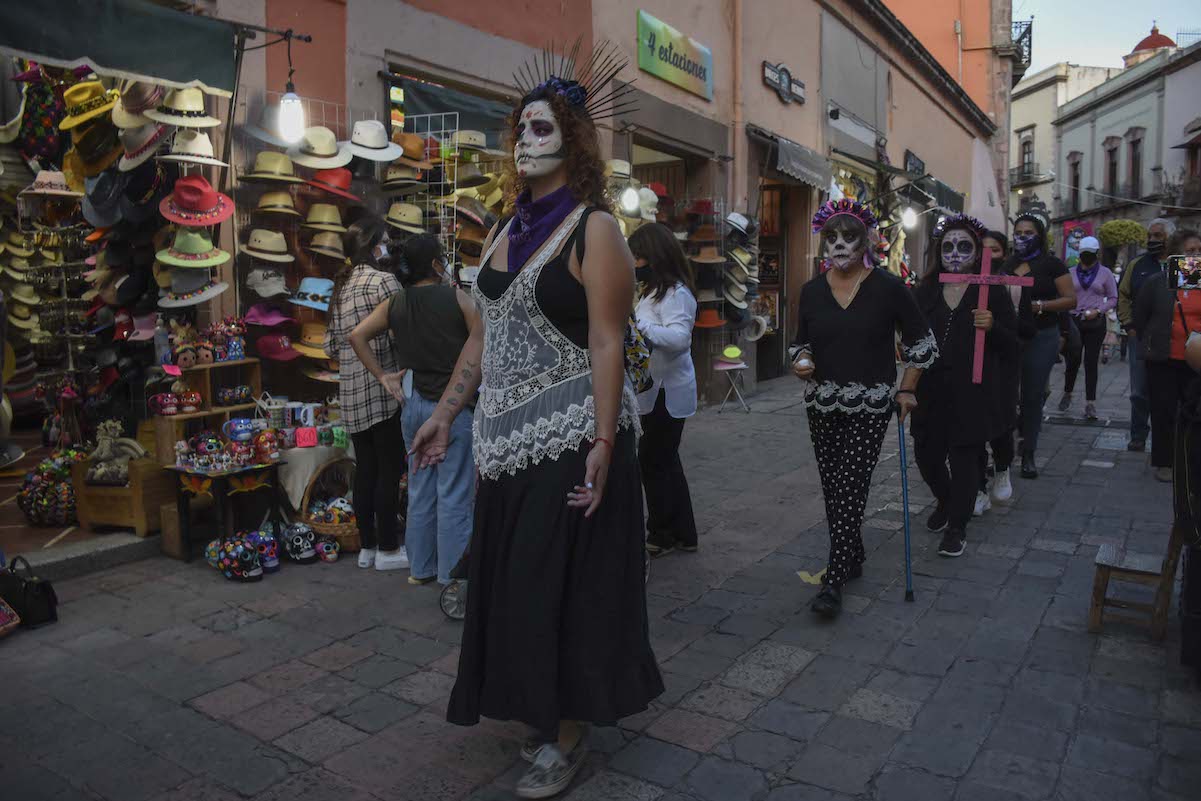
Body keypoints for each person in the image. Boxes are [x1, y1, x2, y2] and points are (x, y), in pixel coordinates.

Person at [408, 64, 663, 799]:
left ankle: (567, 732)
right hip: (502, 441)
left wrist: (605, 442)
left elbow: (607, 340)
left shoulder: (595, 228)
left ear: (573, 139)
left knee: (562, 587)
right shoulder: (501, 231)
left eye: (541, 126)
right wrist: (444, 414)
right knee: (516, 584)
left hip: (573, 432)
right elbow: (483, 336)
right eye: (519, 127)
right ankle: (540, 709)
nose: (525, 138)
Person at [792, 199, 936, 617]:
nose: (839, 245)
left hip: (870, 405)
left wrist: (907, 389)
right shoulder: (811, 291)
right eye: (831, 237)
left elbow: (922, 343)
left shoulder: (889, 287)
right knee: (833, 485)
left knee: (850, 485)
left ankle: (834, 579)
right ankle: (851, 553)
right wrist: (802, 360)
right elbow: (800, 342)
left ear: (867, 240)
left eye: (849, 236)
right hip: (821, 404)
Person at [348, 234, 479, 585]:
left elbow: (356, 336)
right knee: (454, 493)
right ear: (436, 264)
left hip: (413, 403)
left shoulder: (396, 302)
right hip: (453, 409)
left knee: (420, 488)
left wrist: (383, 376)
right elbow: (483, 341)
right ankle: (452, 577)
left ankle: (420, 569)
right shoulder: (457, 298)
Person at [911, 215, 1019, 557]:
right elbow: (910, 334)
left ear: (976, 252)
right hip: (930, 389)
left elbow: (1015, 345)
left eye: (964, 246)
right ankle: (946, 501)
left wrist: (993, 327)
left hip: (973, 390)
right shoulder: (925, 291)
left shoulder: (991, 291)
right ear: (938, 252)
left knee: (965, 461)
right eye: (948, 247)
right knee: (926, 456)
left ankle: (957, 527)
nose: (955, 253)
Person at [325, 215, 407, 571]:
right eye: (384, 241)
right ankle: (388, 548)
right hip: (385, 387)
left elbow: (330, 346)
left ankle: (367, 547)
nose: (387, 247)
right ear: (374, 247)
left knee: (366, 470)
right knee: (390, 469)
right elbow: (402, 332)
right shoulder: (384, 281)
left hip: (351, 394)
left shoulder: (341, 288)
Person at [628, 222, 699, 556]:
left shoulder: (675, 294)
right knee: (665, 461)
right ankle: (683, 532)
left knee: (654, 461)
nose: (634, 262)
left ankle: (661, 533)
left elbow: (679, 339)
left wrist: (638, 326)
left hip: (667, 392)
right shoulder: (653, 291)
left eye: (639, 256)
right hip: (655, 390)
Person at [1010, 209, 1076, 479]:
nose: (1022, 237)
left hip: (1042, 335)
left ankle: (1028, 452)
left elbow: (1070, 299)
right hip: (1010, 336)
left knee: (1033, 395)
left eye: (1028, 233)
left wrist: (1039, 306)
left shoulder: (1052, 265)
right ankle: (1005, 448)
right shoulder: (1008, 263)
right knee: (1007, 394)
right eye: (1018, 233)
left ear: (1040, 236)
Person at [1133, 228, 1201, 482]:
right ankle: (1165, 462)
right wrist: (1154, 340)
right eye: (1190, 251)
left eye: (1200, 251)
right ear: (1176, 254)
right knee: (1163, 411)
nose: (1196, 255)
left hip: (1196, 359)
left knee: (1193, 411)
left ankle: (1191, 459)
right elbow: (1141, 317)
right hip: (1164, 358)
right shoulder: (1157, 283)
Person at [975, 230, 1032, 512]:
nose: (988, 256)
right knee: (971, 427)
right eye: (982, 249)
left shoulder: (1011, 285)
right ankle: (976, 487)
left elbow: (1023, 332)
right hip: (970, 366)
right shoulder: (964, 283)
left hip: (1002, 366)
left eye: (994, 250)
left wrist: (994, 326)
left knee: (1000, 423)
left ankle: (1001, 467)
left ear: (1004, 254)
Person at [1119, 218, 1176, 451]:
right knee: (1139, 390)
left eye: (1158, 236)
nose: (1152, 240)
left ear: (1170, 238)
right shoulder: (1137, 264)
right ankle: (1138, 435)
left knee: (1170, 390)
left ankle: (1169, 439)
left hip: (1175, 337)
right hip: (1142, 337)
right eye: (1150, 236)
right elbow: (1123, 295)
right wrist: (1129, 326)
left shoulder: (1183, 264)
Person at [1059, 236, 1118, 420]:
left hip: (1095, 322)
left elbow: (1113, 298)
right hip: (1074, 320)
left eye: (1090, 253)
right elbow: (1063, 295)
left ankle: (1090, 403)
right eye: (1084, 253)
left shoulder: (1105, 273)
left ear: (1096, 254)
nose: (1087, 256)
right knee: (1073, 360)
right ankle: (1067, 392)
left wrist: (1099, 310)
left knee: (1091, 362)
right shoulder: (1070, 273)